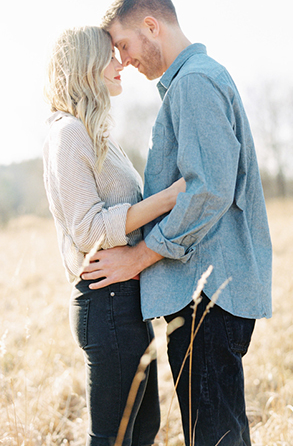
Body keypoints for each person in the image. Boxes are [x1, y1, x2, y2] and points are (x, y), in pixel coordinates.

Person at [82, 0, 272, 446]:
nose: (123, 61)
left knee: (214, 437)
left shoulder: (195, 82)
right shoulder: (193, 82)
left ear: (152, 26)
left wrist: (139, 257)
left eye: (124, 45)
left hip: (205, 292)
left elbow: (207, 190)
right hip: (205, 291)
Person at [43, 25, 186, 446]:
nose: (120, 62)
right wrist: (167, 199)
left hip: (125, 301)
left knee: (140, 433)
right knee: (112, 439)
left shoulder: (95, 133)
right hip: (105, 302)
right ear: (85, 66)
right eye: (109, 55)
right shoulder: (68, 134)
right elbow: (87, 228)